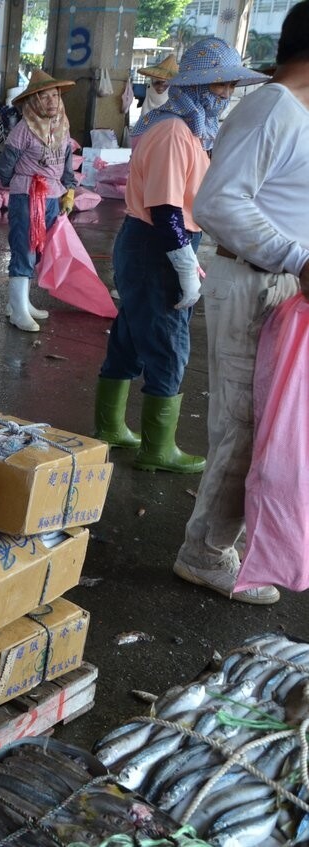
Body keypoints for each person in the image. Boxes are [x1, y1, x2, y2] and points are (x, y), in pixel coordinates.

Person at [171, 8, 309, 605]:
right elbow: (219, 202)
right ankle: (203, 553)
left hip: (277, 280)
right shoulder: (273, 107)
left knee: (270, 423)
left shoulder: (295, 112)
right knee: (246, 424)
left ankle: (233, 535)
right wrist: (298, 258)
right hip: (254, 279)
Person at [94, 38, 266, 485]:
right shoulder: (173, 133)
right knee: (169, 345)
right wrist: (186, 265)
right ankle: (157, 448)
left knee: (131, 336)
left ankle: (111, 426)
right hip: (158, 245)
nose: (226, 94)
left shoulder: (184, 129)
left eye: (230, 85)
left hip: (148, 243)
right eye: (221, 85)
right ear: (199, 85)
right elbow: (168, 208)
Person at [0, 70, 77, 332]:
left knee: (42, 250)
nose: (51, 101)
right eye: (44, 96)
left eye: (54, 95)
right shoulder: (23, 129)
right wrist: (21, 183)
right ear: (33, 101)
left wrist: (69, 189)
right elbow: (5, 166)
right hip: (28, 195)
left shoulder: (62, 126)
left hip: (53, 196)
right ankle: (18, 311)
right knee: (25, 248)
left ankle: (19, 303)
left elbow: (66, 164)